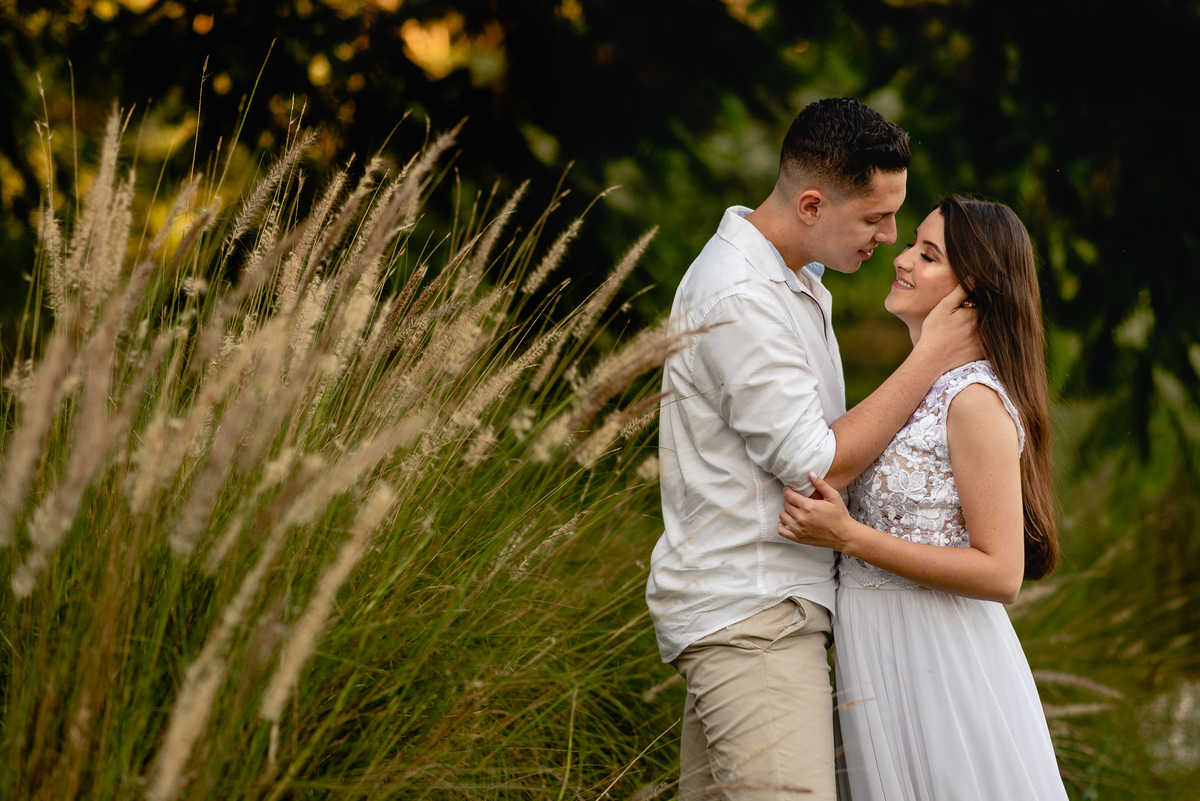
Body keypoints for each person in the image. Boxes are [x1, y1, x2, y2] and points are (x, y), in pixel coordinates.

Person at [646, 98, 981, 801]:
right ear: (809, 204)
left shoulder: (795, 281)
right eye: (873, 217)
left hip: (755, 612)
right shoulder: (742, 294)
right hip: (753, 620)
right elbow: (817, 462)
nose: (889, 237)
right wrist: (933, 357)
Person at [778, 195, 1068, 800]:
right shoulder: (920, 388)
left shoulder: (974, 401)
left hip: (942, 663)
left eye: (928, 255)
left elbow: (1001, 572)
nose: (902, 259)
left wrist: (850, 537)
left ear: (972, 293)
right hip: (878, 656)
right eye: (913, 244)